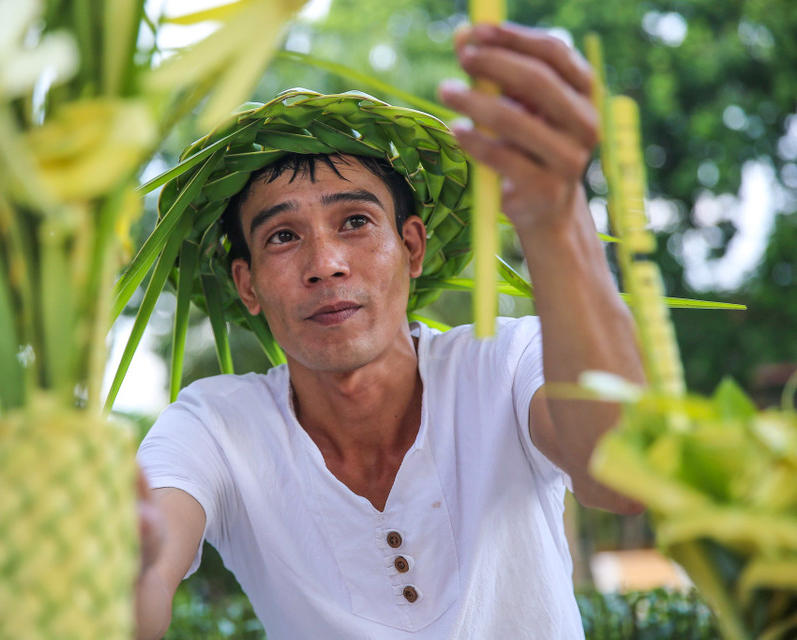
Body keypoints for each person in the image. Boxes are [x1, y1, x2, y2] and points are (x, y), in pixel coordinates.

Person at [135, 21, 645, 640]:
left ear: (411, 246)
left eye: (354, 221)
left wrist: (556, 210)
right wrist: (113, 574)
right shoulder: (215, 428)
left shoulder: (507, 362)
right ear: (247, 285)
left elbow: (621, 475)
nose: (326, 264)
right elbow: (142, 573)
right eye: (283, 236)